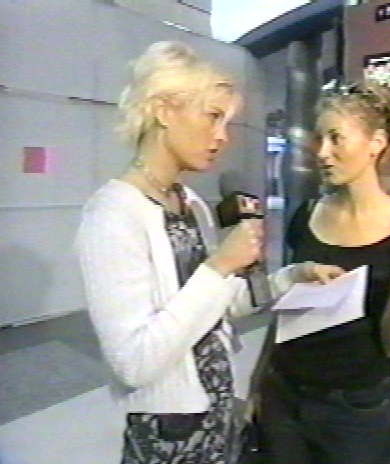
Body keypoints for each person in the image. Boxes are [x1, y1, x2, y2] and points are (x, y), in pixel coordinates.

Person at [76, 41, 341, 464]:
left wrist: (293, 276)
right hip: (167, 431)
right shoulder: (112, 214)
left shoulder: (193, 204)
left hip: (217, 411)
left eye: (227, 122)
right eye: (213, 116)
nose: (222, 137)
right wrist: (219, 267)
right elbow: (134, 362)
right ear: (164, 110)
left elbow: (222, 306)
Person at [258, 83, 390, 464]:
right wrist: (259, 380)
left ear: (376, 143)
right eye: (319, 138)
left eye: (336, 138)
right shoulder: (306, 215)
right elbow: (286, 311)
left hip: (352, 408)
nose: (322, 152)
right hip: (284, 392)